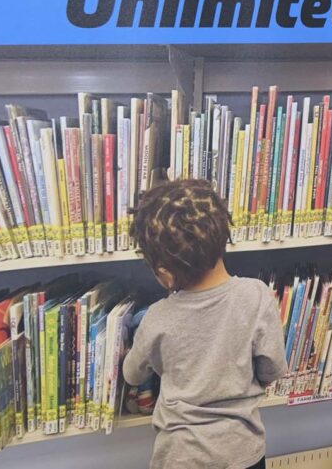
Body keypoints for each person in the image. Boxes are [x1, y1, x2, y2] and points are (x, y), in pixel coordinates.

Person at [123, 179, 287, 469]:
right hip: (244, 452)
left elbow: (133, 374)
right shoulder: (257, 295)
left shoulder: (157, 317)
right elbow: (272, 369)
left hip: (182, 457)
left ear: (165, 274)